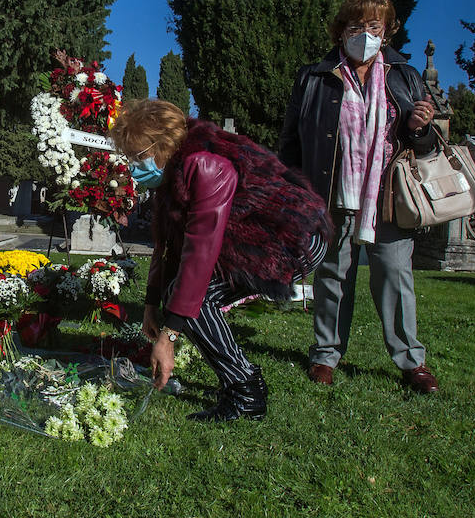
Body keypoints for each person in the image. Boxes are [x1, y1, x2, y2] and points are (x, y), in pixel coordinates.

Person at [110, 99, 329, 421]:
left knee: (196, 301)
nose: (132, 167)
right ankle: (243, 385)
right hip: (260, 240)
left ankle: (246, 392)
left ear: (164, 144)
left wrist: (168, 337)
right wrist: (151, 305)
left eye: (139, 156)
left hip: (292, 241)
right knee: (182, 297)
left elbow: (200, 252)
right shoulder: (172, 172)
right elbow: (166, 243)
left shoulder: (205, 164)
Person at [278, 0, 441, 393]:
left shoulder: (404, 76)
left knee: (395, 276)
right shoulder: (314, 76)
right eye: (355, 26)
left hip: (386, 197)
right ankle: (326, 355)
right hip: (331, 192)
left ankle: (410, 361)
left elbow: (427, 146)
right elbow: (292, 141)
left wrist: (420, 130)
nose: (364, 34)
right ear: (341, 32)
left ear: (385, 33)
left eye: (373, 26)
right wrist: (293, 189)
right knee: (332, 276)